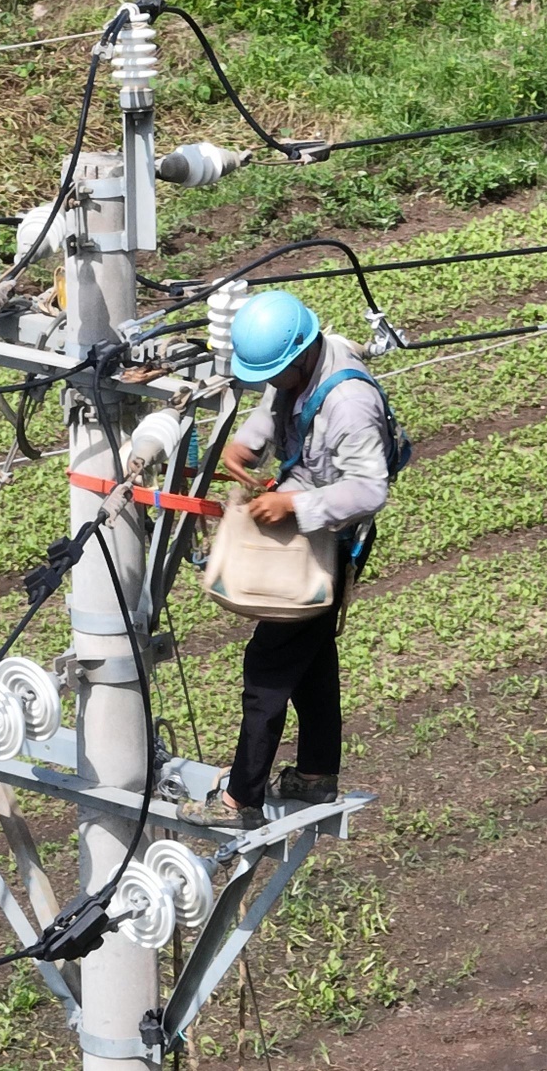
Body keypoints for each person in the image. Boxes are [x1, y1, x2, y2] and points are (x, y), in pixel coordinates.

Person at [182, 290, 397, 829]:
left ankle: (241, 800)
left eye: (278, 372)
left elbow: (371, 490)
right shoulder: (301, 364)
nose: (273, 382)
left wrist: (294, 505)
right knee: (312, 656)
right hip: (308, 522)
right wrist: (246, 447)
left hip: (329, 536)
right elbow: (274, 407)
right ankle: (317, 774)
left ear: (302, 353)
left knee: (268, 669)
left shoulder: (350, 403)